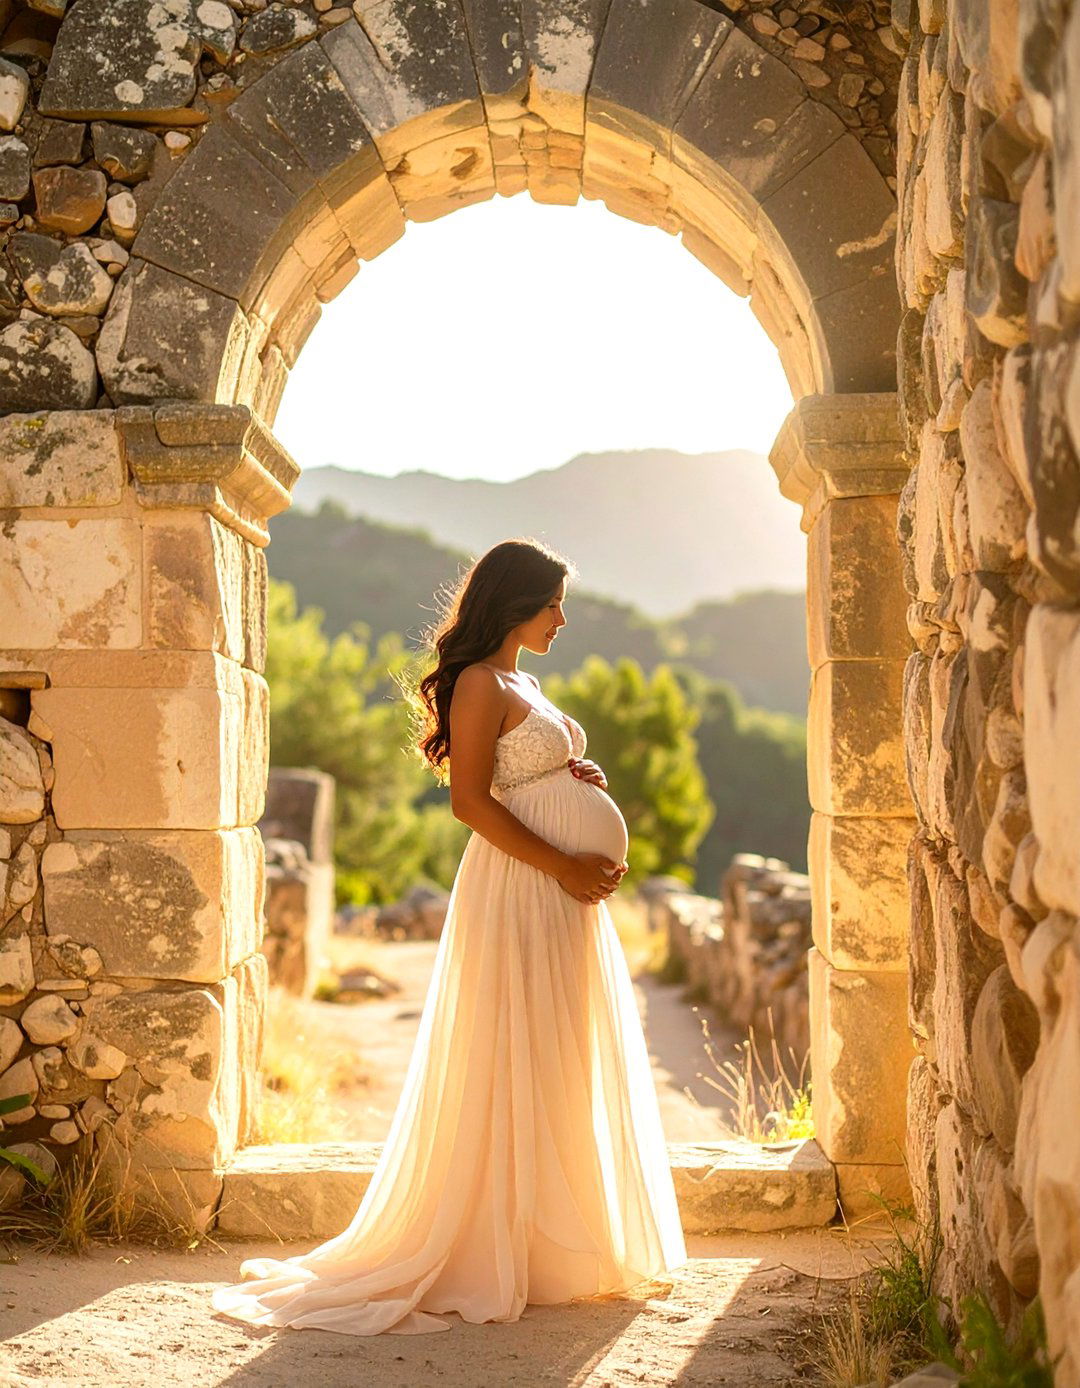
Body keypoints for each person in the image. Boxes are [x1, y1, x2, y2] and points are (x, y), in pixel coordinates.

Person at [210, 538, 687, 1335]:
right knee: (513, 1047)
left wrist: (575, 778)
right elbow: (470, 801)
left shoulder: (523, 680)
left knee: (561, 1049)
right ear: (515, 603)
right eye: (551, 604)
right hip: (524, 885)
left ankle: (553, 1247)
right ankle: (494, 1245)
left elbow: (520, 775)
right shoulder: (475, 683)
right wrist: (565, 862)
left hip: (560, 890)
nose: (562, 619)